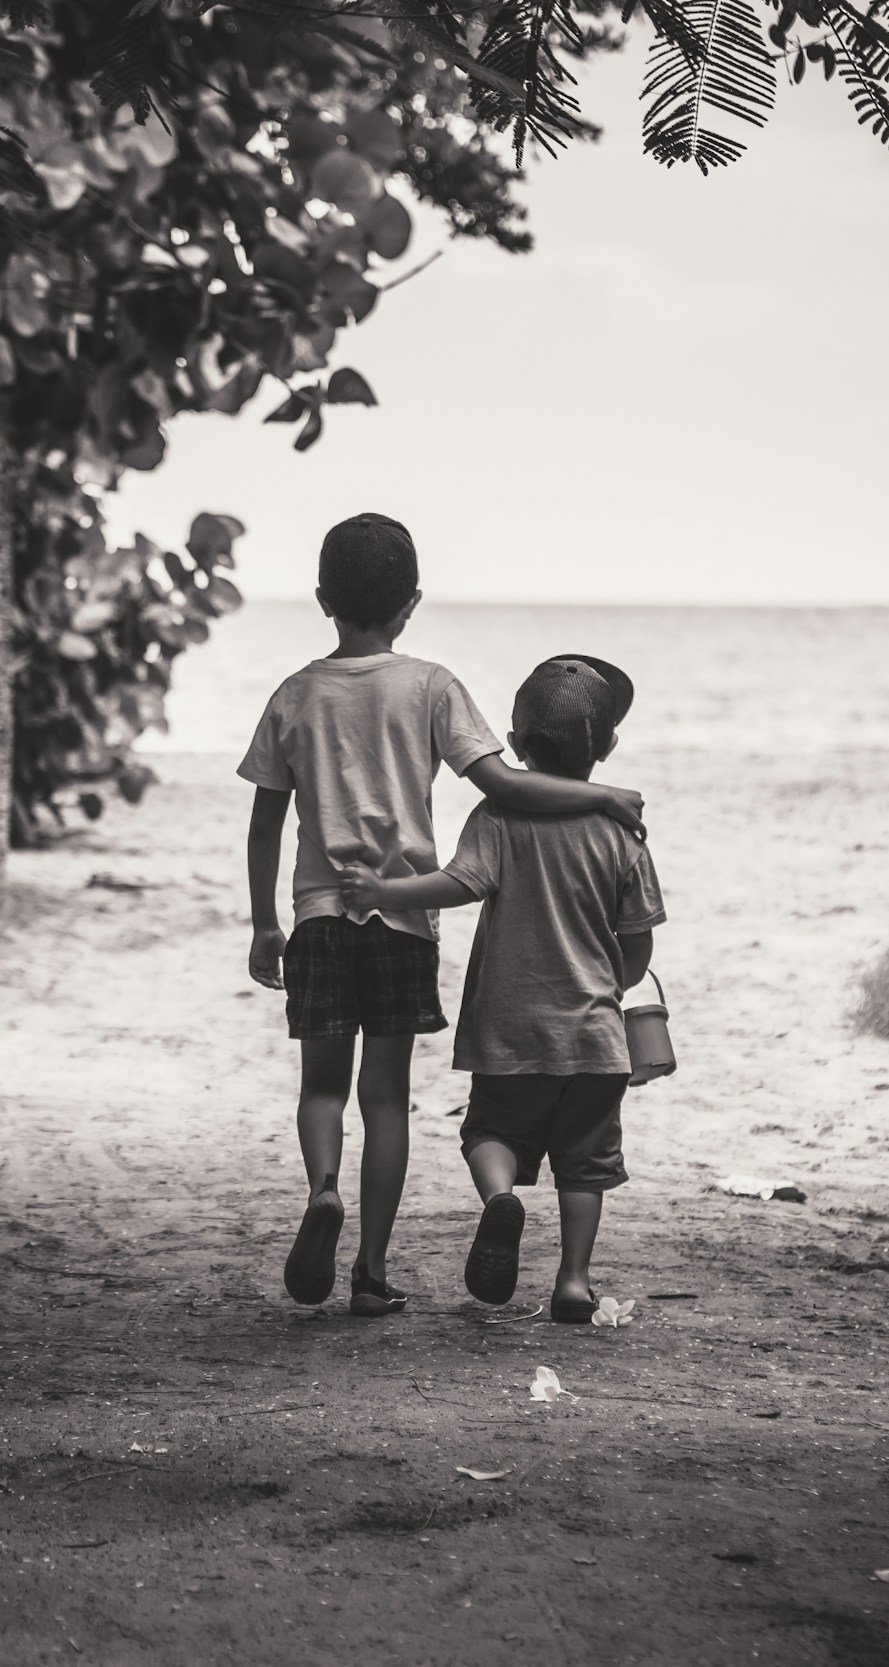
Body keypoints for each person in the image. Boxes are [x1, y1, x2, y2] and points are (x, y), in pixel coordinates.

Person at [240, 516, 645, 1317]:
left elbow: (264, 823)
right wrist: (602, 792)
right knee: (386, 1096)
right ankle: (371, 1271)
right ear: (412, 602)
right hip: (398, 925)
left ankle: (324, 1189)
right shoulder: (431, 686)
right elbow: (507, 786)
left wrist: (265, 922)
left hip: (322, 916)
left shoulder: (292, 693)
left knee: (322, 1087)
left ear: (322, 598)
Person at [336, 655, 664, 1323]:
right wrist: (618, 983)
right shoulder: (621, 832)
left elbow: (460, 884)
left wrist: (386, 890)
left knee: (490, 1131)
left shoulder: (499, 814)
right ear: (607, 748)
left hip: (507, 1028)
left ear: (513, 747)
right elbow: (638, 939)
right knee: (585, 1164)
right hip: (595, 1037)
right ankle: (572, 1281)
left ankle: (499, 1200)